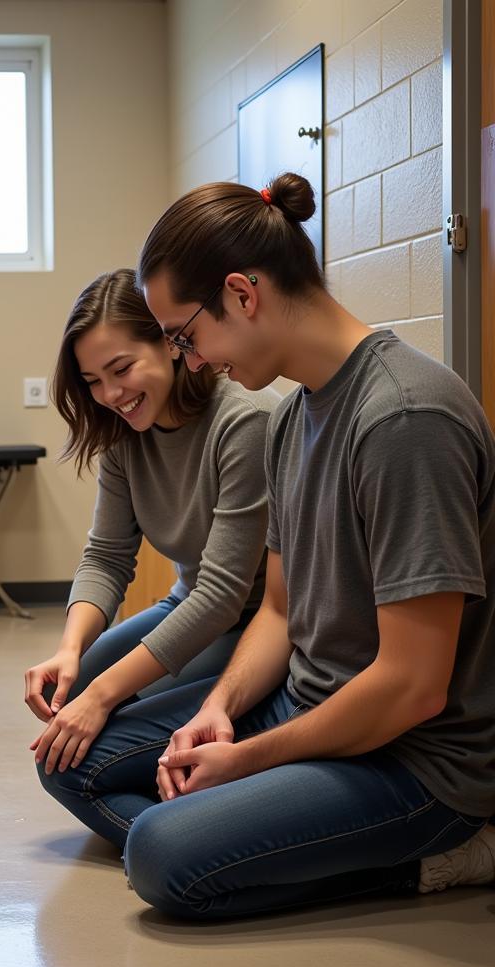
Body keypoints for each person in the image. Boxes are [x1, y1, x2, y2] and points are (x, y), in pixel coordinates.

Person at [51, 171, 495, 920]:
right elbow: (279, 613)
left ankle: (451, 855)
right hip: (305, 706)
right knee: (73, 764)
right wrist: (218, 710)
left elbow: (413, 686)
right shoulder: (295, 419)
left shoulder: (404, 418)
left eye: (187, 337)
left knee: (163, 856)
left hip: (413, 761)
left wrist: (247, 762)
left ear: (242, 294)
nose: (190, 360)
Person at [27, 268, 277, 781]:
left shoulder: (244, 421)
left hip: (254, 627)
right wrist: (69, 650)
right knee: (69, 703)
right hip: (188, 606)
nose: (111, 394)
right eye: (93, 381)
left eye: (121, 369)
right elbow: (107, 556)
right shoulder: (124, 434)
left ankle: (189, 826)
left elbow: (223, 597)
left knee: (80, 758)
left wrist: (102, 698)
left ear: (169, 344)